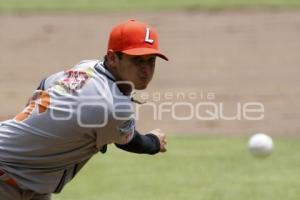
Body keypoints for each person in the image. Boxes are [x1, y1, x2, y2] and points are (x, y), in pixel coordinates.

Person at [0, 19, 168, 200]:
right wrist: (154, 142)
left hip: (32, 182)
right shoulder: (112, 106)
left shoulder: (87, 67)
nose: (146, 70)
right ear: (112, 58)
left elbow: (46, 82)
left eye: (151, 61)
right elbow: (129, 141)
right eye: (137, 60)